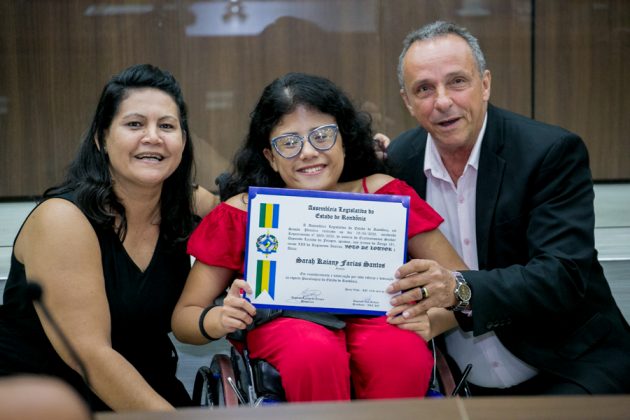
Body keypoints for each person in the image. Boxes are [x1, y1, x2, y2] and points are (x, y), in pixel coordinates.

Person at [171, 72, 467, 402]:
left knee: (400, 352)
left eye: (322, 136)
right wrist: (219, 319)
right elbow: (184, 317)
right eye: (289, 143)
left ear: (344, 140)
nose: (308, 152)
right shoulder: (244, 212)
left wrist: (433, 320)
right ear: (270, 156)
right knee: (312, 352)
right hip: (286, 328)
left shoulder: (386, 196)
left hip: (383, 318)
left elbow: (466, 285)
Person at [386, 20, 630, 395]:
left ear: (485, 84)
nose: (443, 101)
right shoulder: (399, 162)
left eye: (457, 81)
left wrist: (460, 288)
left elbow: (562, 276)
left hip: (568, 366)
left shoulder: (548, 152)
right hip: (465, 383)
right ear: (407, 101)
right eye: (424, 89)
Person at [0, 64, 218, 411]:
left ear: (183, 140)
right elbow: (92, 356)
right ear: (101, 139)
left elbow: (249, 214)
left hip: (148, 384)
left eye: (167, 126)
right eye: (134, 124)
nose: (153, 137)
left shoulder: (187, 204)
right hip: (53, 400)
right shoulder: (62, 220)